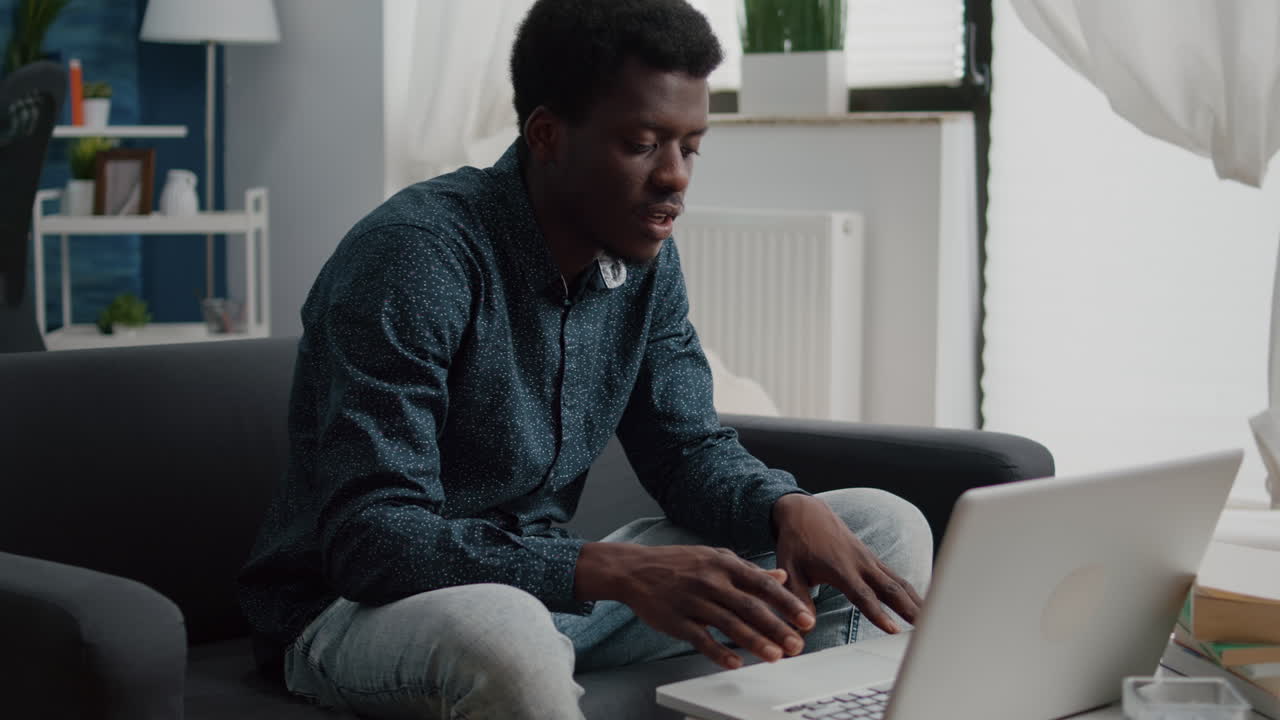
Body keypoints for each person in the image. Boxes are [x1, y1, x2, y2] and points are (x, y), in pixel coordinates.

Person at [237, 1, 932, 718]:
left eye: (690, 146)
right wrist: (607, 569)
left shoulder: (643, 260)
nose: (675, 177)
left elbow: (687, 450)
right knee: (505, 631)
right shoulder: (415, 255)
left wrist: (783, 504)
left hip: (548, 591)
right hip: (360, 610)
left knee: (880, 526)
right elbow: (373, 540)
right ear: (548, 135)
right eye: (642, 143)